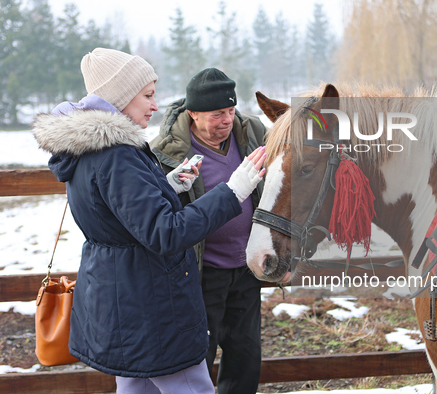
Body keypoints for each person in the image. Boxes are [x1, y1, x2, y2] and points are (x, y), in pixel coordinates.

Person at [32, 48, 266, 394]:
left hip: (122, 300)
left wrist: (166, 186)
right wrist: (233, 191)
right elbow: (165, 233)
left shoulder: (90, 150)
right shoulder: (116, 156)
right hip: (150, 304)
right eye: (148, 95)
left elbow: (115, 213)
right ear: (120, 97)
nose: (155, 106)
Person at [150, 68, 266, 394]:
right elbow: (156, 211)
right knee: (199, 355)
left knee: (246, 355)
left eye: (231, 111)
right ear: (193, 114)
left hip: (245, 269)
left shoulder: (252, 132)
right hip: (200, 273)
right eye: (217, 114)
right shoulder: (167, 150)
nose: (227, 120)